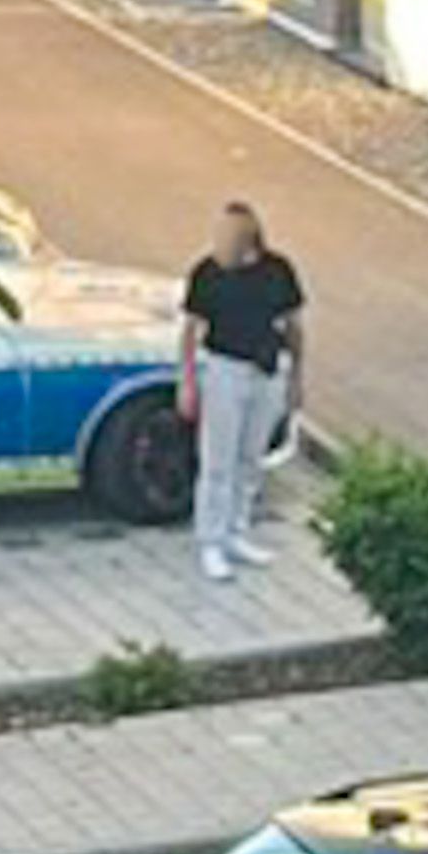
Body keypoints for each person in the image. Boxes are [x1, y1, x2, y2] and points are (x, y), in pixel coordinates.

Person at [178, 200, 304, 584]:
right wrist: (188, 381)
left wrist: (296, 377)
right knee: (218, 458)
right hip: (225, 369)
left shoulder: (277, 270)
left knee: (250, 456)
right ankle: (211, 540)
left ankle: (237, 530)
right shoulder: (208, 274)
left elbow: (294, 326)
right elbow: (190, 330)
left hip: (266, 369)